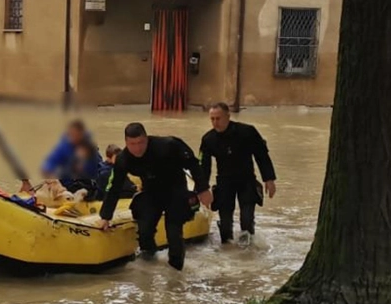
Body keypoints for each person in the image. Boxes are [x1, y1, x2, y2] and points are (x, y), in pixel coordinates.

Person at [95, 123, 207, 271]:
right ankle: (150, 262)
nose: (137, 148)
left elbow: (193, 163)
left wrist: (203, 189)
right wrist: (106, 216)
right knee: (145, 229)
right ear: (126, 143)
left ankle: (176, 271)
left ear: (146, 139)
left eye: (140, 143)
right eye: (132, 144)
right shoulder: (124, 159)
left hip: (175, 189)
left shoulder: (167, 145)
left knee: (173, 232)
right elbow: (114, 187)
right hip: (152, 192)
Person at [198, 102, 276, 246]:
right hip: (224, 181)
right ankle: (228, 253)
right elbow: (204, 166)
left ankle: (247, 252)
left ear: (228, 116)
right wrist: (203, 189)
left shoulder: (247, 132)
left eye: (218, 118)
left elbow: (262, 156)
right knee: (225, 223)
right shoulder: (208, 139)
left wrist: (269, 179)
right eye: (212, 119)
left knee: (247, 220)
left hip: (246, 180)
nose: (215, 123)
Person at [41, 119, 103, 194]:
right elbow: (49, 164)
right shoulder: (64, 147)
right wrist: (52, 178)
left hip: (87, 186)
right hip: (66, 186)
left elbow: (100, 169)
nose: (73, 138)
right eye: (71, 135)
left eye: (76, 135)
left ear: (81, 134)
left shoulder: (90, 148)